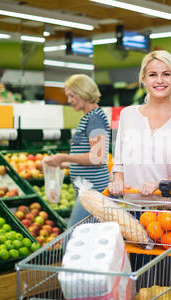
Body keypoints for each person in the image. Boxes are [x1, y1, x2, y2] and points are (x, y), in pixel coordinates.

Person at [108, 50, 171, 206]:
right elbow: (119, 162)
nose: (159, 80)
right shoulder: (128, 115)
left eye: (166, 74)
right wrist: (117, 181)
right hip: (134, 207)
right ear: (143, 79)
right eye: (152, 75)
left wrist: (159, 183)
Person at [44, 74, 110, 228]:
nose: (69, 101)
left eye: (71, 96)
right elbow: (89, 157)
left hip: (92, 189)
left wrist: (63, 157)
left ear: (83, 93)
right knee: (88, 237)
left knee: (72, 236)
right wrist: (62, 164)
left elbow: (98, 157)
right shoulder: (89, 117)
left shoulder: (95, 119)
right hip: (85, 187)